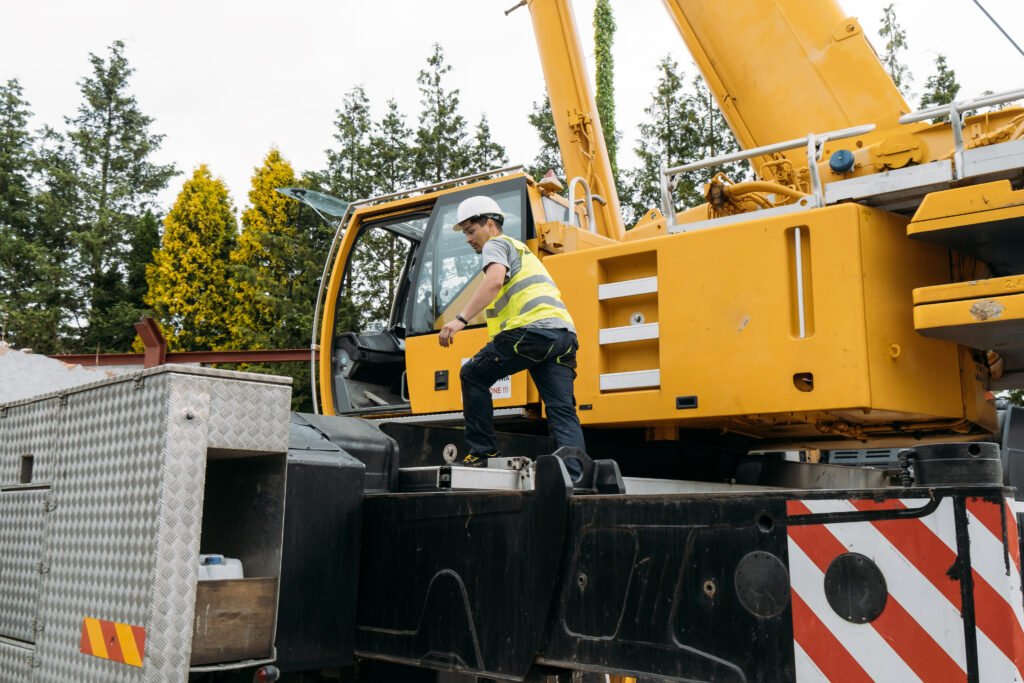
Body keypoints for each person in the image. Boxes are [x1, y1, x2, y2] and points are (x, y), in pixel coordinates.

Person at [438, 195, 586, 467]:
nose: (468, 239)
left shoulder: (496, 244)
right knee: (562, 410)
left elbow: (494, 281)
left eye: (471, 231)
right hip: (563, 337)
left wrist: (460, 319)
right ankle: (576, 473)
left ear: (490, 224)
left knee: (472, 374)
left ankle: (482, 452)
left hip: (531, 332)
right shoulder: (523, 252)